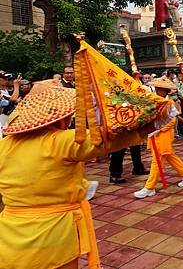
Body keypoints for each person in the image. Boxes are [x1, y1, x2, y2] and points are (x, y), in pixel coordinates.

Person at [0, 84, 158, 269]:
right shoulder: (59, 140)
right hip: (52, 235)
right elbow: (106, 140)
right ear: (59, 117)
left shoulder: (5, 146)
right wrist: (154, 117)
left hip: (10, 235)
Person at [134, 77, 183, 199]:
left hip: (163, 135)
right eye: (157, 88)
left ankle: (149, 187)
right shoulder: (155, 101)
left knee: (157, 161)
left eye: (160, 89)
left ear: (165, 90)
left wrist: (157, 129)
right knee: (169, 156)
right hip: (155, 135)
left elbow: (171, 122)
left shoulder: (169, 103)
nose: (157, 90)